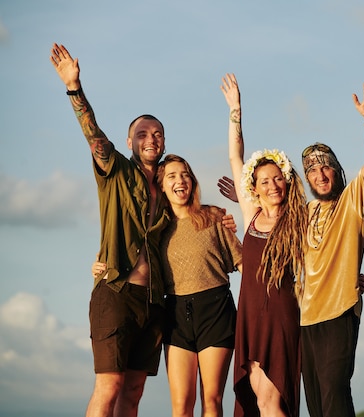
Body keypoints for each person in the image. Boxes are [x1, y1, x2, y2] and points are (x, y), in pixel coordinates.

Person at [50, 43, 169, 417]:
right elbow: (93, 135)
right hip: (116, 290)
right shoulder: (115, 170)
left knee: (132, 394)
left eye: (158, 134)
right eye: (143, 134)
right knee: (109, 386)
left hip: (153, 301)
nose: (151, 139)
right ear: (131, 141)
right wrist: (74, 88)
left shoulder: (170, 188)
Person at [93, 154, 242, 417]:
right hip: (175, 313)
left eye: (185, 174)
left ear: (192, 181)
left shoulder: (214, 216)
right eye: (171, 176)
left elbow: (243, 262)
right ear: (161, 186)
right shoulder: (158, 228)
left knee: (211, 399)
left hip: (215, 309)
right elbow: (130, 250)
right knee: (181, 405)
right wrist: (101, 263)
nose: (180, 180)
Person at [221, 73, 308, 417]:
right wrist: (235, 111)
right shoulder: (252, 214)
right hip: (250, 315)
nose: (272, 185)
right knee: (257, 396)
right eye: (264, 181)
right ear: (253, 187)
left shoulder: (300, 221)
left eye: (277, 179)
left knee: (272, 399)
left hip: (280, 315)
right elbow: (234, 156)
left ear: (286, 182)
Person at [299, 81, 364, 417]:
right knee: (317, 402)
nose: (319, 174)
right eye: (312, 170)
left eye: (325, 166)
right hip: (306, 316)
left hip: (339, 310)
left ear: (335, 169)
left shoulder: (352, 201)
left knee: (335, 393)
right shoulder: (304, 213)